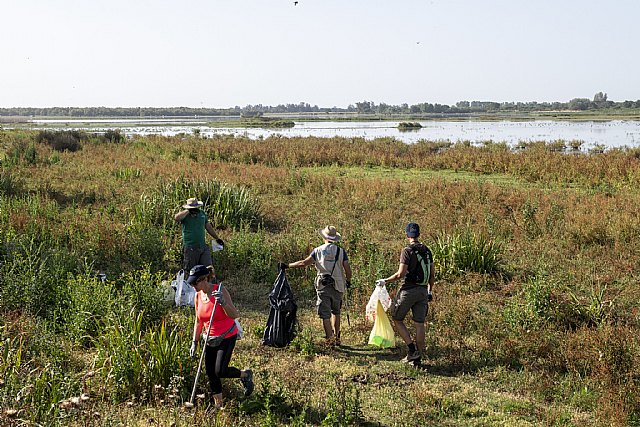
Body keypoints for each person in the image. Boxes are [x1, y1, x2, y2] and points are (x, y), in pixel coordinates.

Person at [187, 264, 254, 409]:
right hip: (210, 338)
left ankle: (245, 375)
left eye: (195, 282)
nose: (192, 286)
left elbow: (234, 314)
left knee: (220, 371)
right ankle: (219, 406)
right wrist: (194, 342)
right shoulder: (198, 296)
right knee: (211, 373)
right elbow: (198, 321)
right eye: (191, 283)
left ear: (204, 279)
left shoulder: (220, 290)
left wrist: (222, 302)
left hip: (226, 336)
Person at [279, 226, 352, 346]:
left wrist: (287, 265)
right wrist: (348, 281)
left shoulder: (318, 250)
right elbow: (348, 270)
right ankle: (337, 338)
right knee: (336, 312)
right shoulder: (341, 251)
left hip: (323, 285)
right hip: (338, 285)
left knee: (325, 314)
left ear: (324, 237)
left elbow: (304, 263)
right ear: (335, 238)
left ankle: (330, 340)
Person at [375, 223, 435, 364]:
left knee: (397, 318)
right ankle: (418, 357)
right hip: (422, 291)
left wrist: (385, 280)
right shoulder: (427, 251)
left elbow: (400, 274)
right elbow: (432, 275)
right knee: (419, 324)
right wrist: (430, 291)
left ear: (407, 235)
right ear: (418, 234)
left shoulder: (407, 251)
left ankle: (411, 349)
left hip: (408, 290)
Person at [175, 197, 224, 272]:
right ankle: (190, 283)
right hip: (190, 248)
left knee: (209, 269)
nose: (195, 209)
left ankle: (210, 283)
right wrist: (188, 210)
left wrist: (217, 238)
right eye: (193, 208)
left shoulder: (202, 213)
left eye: (196, 207)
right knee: (190, 271)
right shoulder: (185, 215)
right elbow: (177, 218)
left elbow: (208, 227)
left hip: (202, 246)